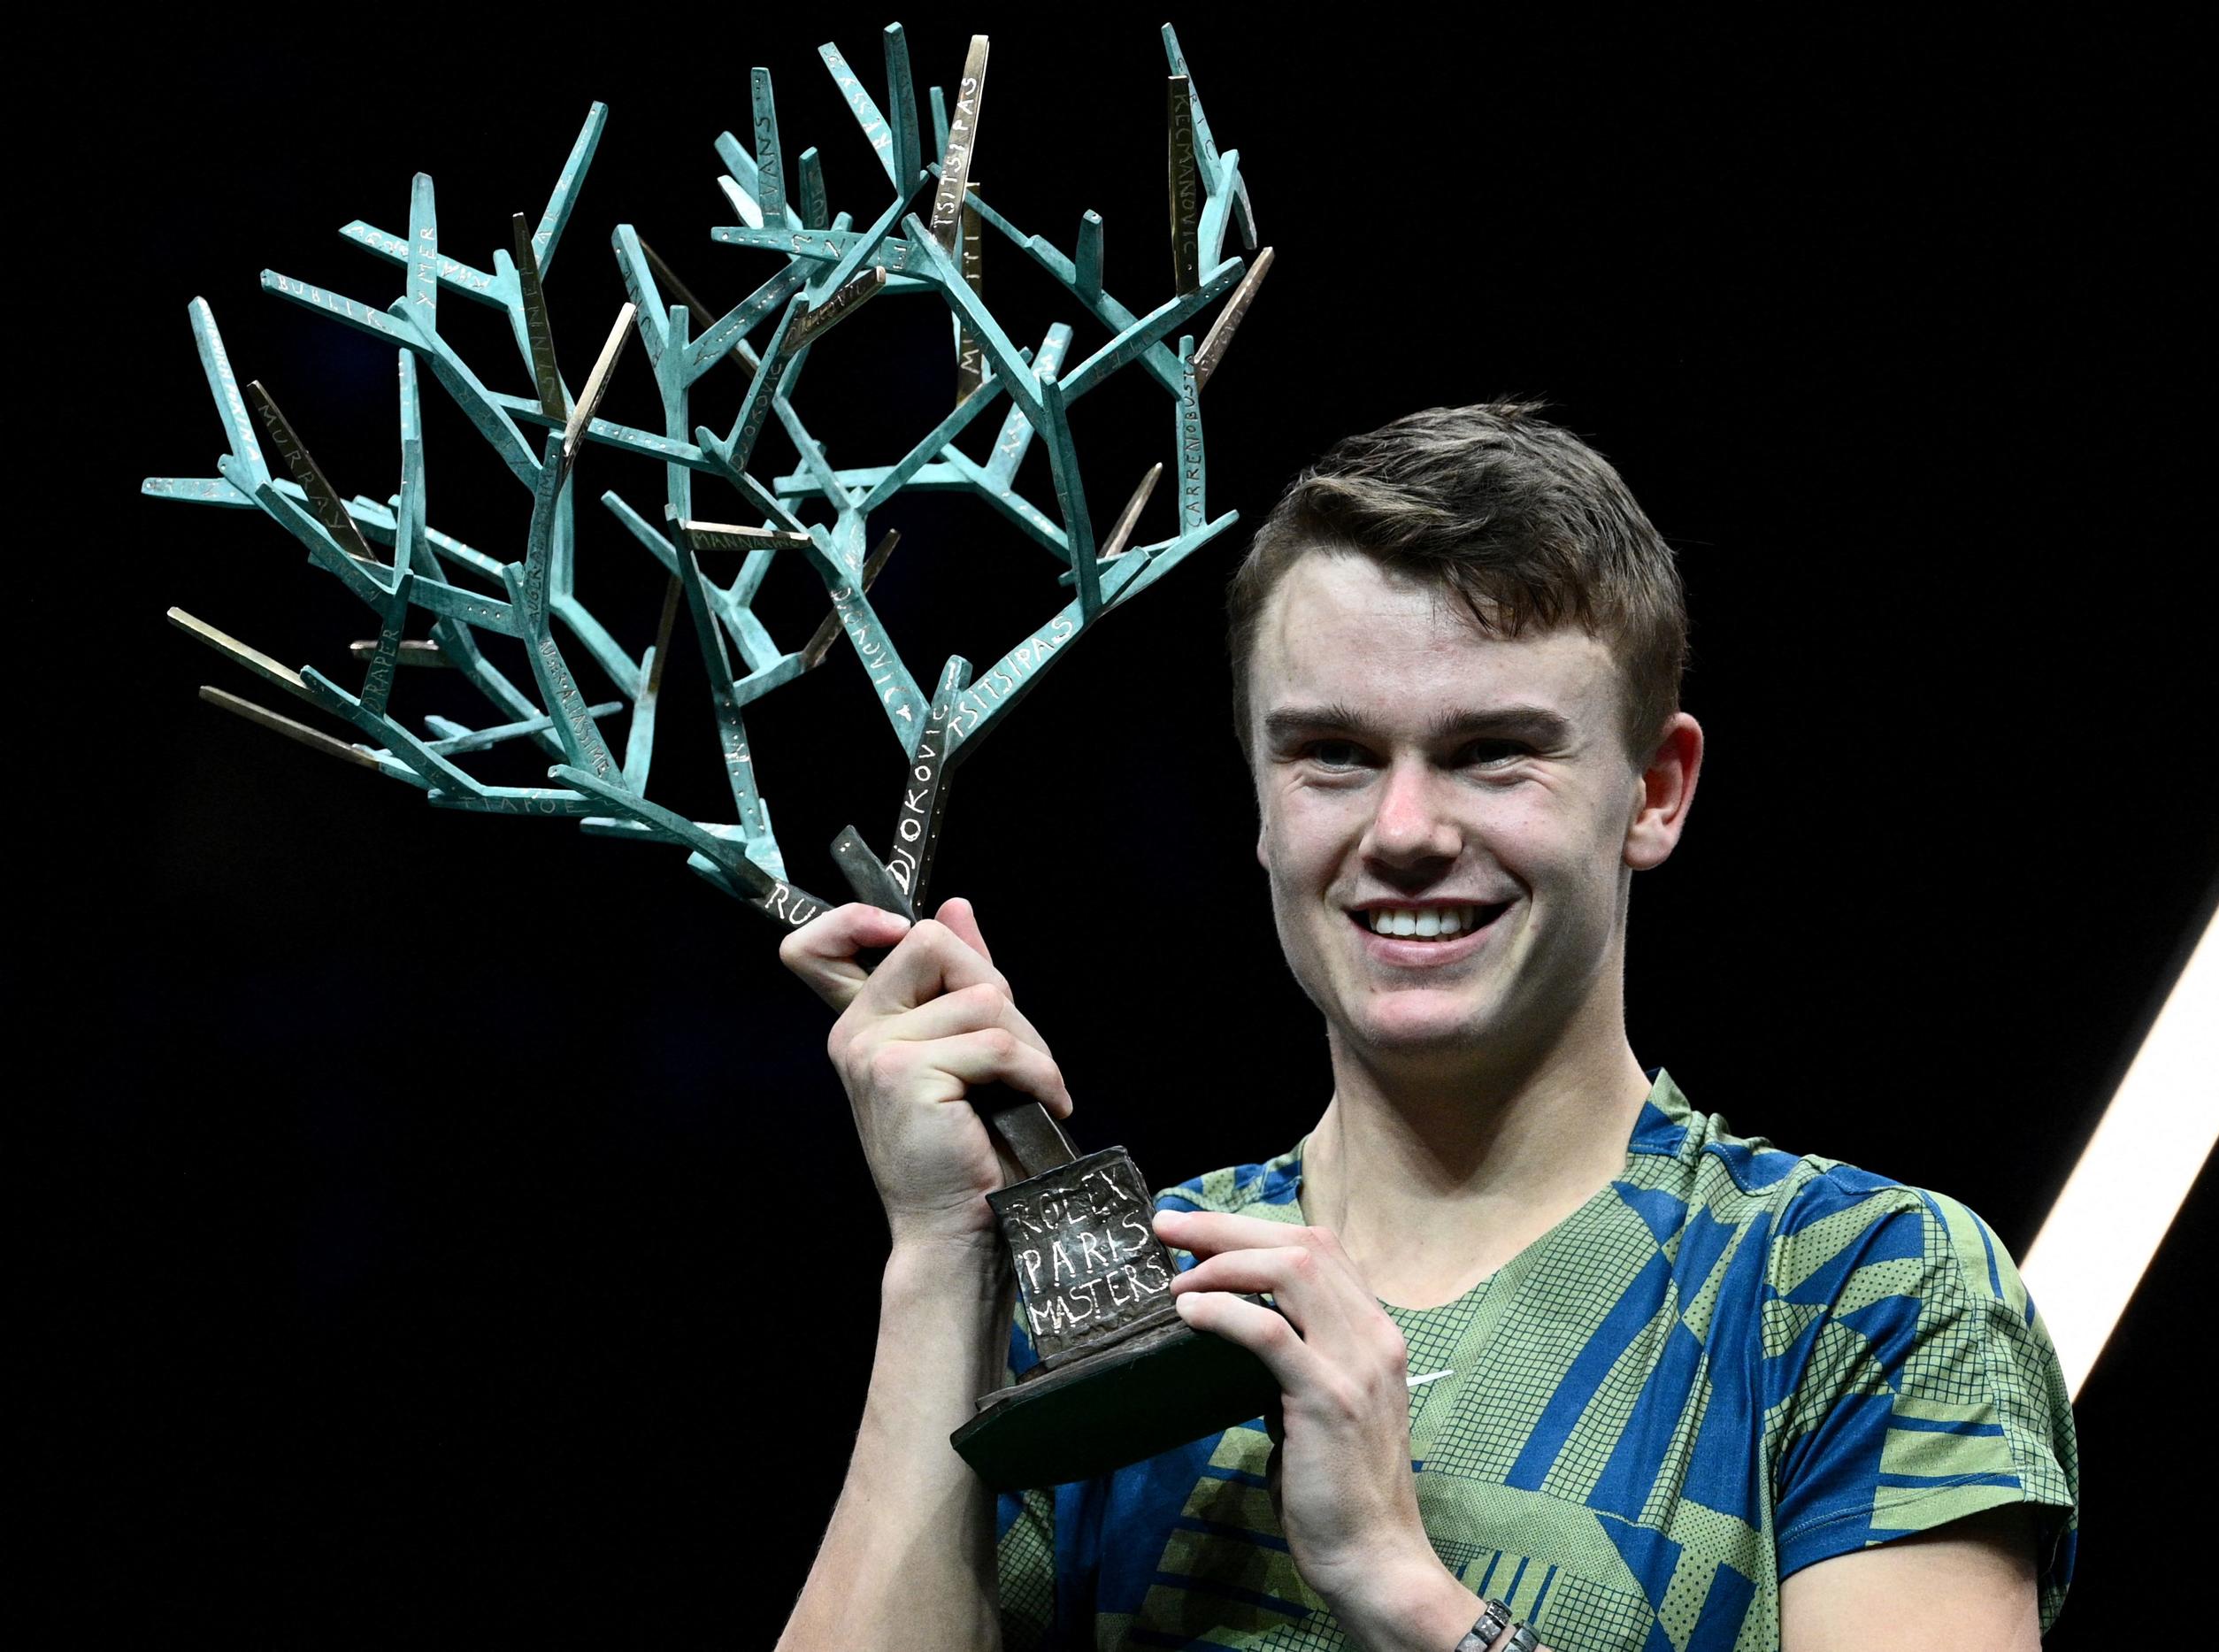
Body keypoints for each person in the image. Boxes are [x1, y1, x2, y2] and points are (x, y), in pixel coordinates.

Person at [774, 403, 2079, 1651]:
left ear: (1655, 791)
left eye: (1492, 751)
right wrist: (944, 1254)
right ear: (1263, 801)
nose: (1402, 833)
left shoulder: (1861, 1289)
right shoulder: (1128, 1315)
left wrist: (1401, 1587)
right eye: (1333, 753)